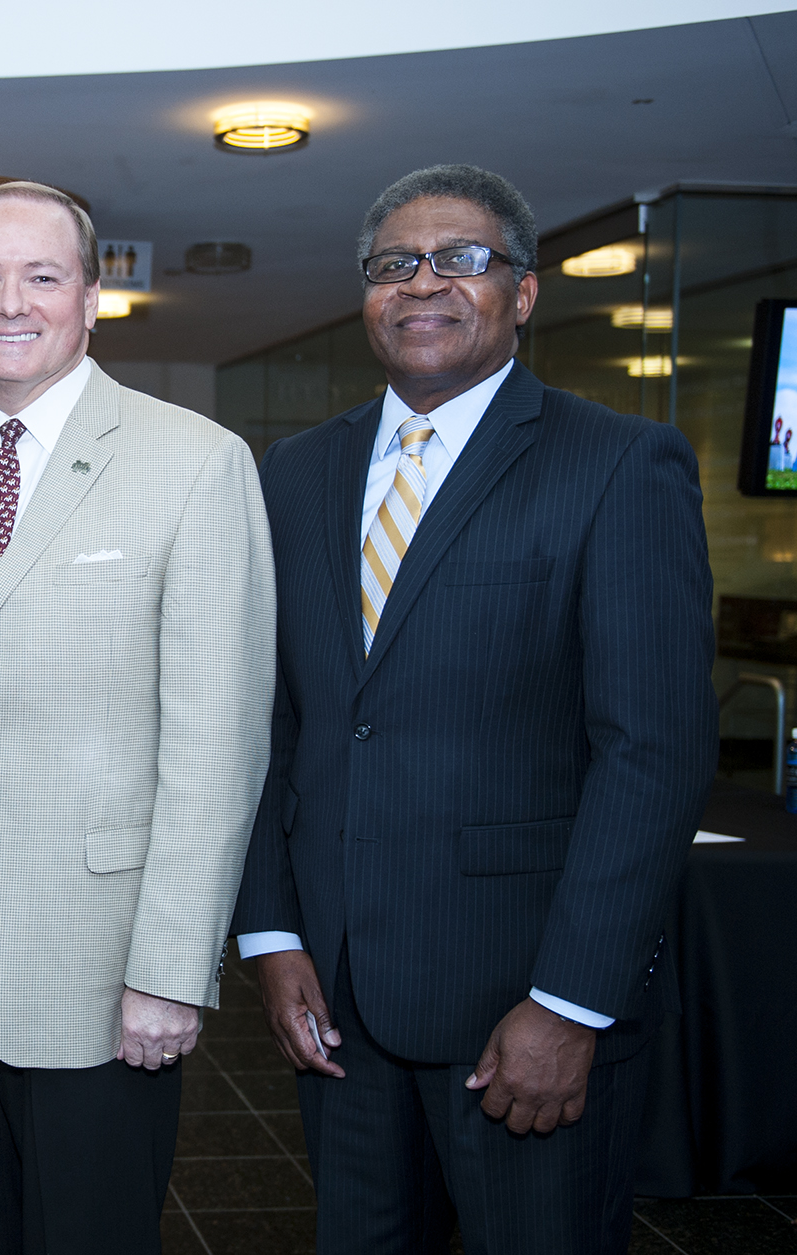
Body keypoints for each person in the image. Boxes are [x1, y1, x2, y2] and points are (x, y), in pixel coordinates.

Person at [232, 164, 716, 1255]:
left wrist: (573, 1003)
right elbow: (271, 724)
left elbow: (653, 754)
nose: (423, 283)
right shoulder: (295, 475)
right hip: (339, 1002)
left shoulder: (619, 464)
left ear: (525, 292)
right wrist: (271, 931)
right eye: (394, 263)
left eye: (462, 258)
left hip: (522, 1012)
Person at [0, 181, 276, 1253]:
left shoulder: (196, 464)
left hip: (102, 969)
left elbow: (216, 750)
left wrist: (171, 969)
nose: (11, 301)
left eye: (43, 275)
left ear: (92, 294)